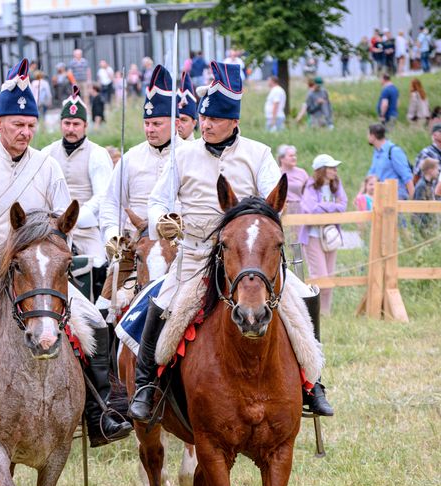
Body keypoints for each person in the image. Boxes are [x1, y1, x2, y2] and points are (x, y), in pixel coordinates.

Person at [0, 59, 132, 451]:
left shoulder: (47, 167)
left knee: (93, 321)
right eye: (18, 125)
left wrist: (52, 252)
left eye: (31, 126)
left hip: (36, 276)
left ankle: (100, 412)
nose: (25, 133)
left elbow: (63, 224)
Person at [130, 60, 334, 423]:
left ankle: (312, 383)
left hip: (248, 256)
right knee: (160, 305)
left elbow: (273, 202)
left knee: (302, 296)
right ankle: (146, 385)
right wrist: (163, 221)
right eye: (203, 117)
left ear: (234, 121)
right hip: (195, 256)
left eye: (215, 119)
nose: (206, 124)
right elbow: (157, 200)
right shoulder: (182, 154)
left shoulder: (259, 154)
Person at [100, 64, 181, 284]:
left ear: (175, 123)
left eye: (157, 123)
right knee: (108, 302)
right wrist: (112, 235)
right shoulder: (130, 158)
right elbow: (111, 202)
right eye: (147, 123)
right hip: (134, 248)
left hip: (181, 249)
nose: (150, 129)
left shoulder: (190, 155)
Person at [42, 85, 113, 271]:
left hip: (85, 229)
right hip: (51, 229)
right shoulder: (47, 153)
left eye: (76, 124)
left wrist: (76, 218)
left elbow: (103, 196)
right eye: (67, 123)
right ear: (61, 124)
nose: (71, 129)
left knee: (99, 265)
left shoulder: (97, 154)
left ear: (85, 126)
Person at [298, 154, 346, 313]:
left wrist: (323, 206)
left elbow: (343, 205)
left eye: (335, 168)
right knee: (319, 275)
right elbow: (311, 208)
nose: (335, 171)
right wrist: (332, 205)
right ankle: (314, 312)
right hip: (313, 236)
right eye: (331, 168)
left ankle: (326, 312)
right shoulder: (311, 186)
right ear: (322, 170)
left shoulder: (336, 185)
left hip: (330, 235)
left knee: (329, 276)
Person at [367, 122, 413, 199]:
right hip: (380, 195)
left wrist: (413, 199)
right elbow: (370, 175)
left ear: (373, 136)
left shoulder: (393, 151)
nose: (367, 137)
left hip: (396, 195)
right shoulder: (377, 152)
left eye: (368, 134)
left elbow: (406, 175)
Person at [276, 144, 308, 217]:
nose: (294, 158)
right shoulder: (275, 173)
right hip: (281, 209)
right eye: (291, 156)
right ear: (281, 158)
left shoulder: (302, 173)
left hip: (300, 208)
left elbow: (309, 192)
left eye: (295, 156)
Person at [412, 158, 439, 233]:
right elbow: (420, 209)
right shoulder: (422, 186)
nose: (438, 172)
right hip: (422, 227)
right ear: (430, 170)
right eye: (436, 169)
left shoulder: (429, 184)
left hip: (428, 226)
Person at [176, 72, 198, 141]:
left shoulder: (199, 148)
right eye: (175, 120)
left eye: (183, 120)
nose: (178, 125)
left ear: (194, 123)